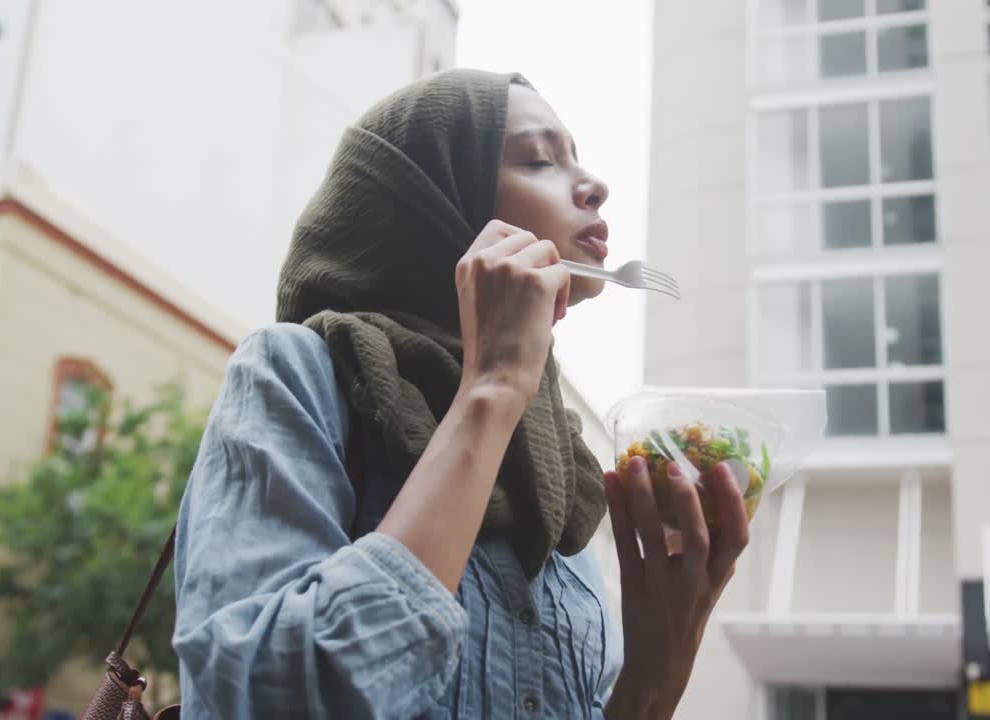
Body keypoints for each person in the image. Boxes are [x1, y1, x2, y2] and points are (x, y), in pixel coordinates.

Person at [171, 68, 750, 719]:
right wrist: (493, 388)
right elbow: (250, 699)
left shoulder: (558, 464)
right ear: (433, 209)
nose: (594, 185)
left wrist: (654, 676)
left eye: (576, 157)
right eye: (539, 160)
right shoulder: (301, 372)